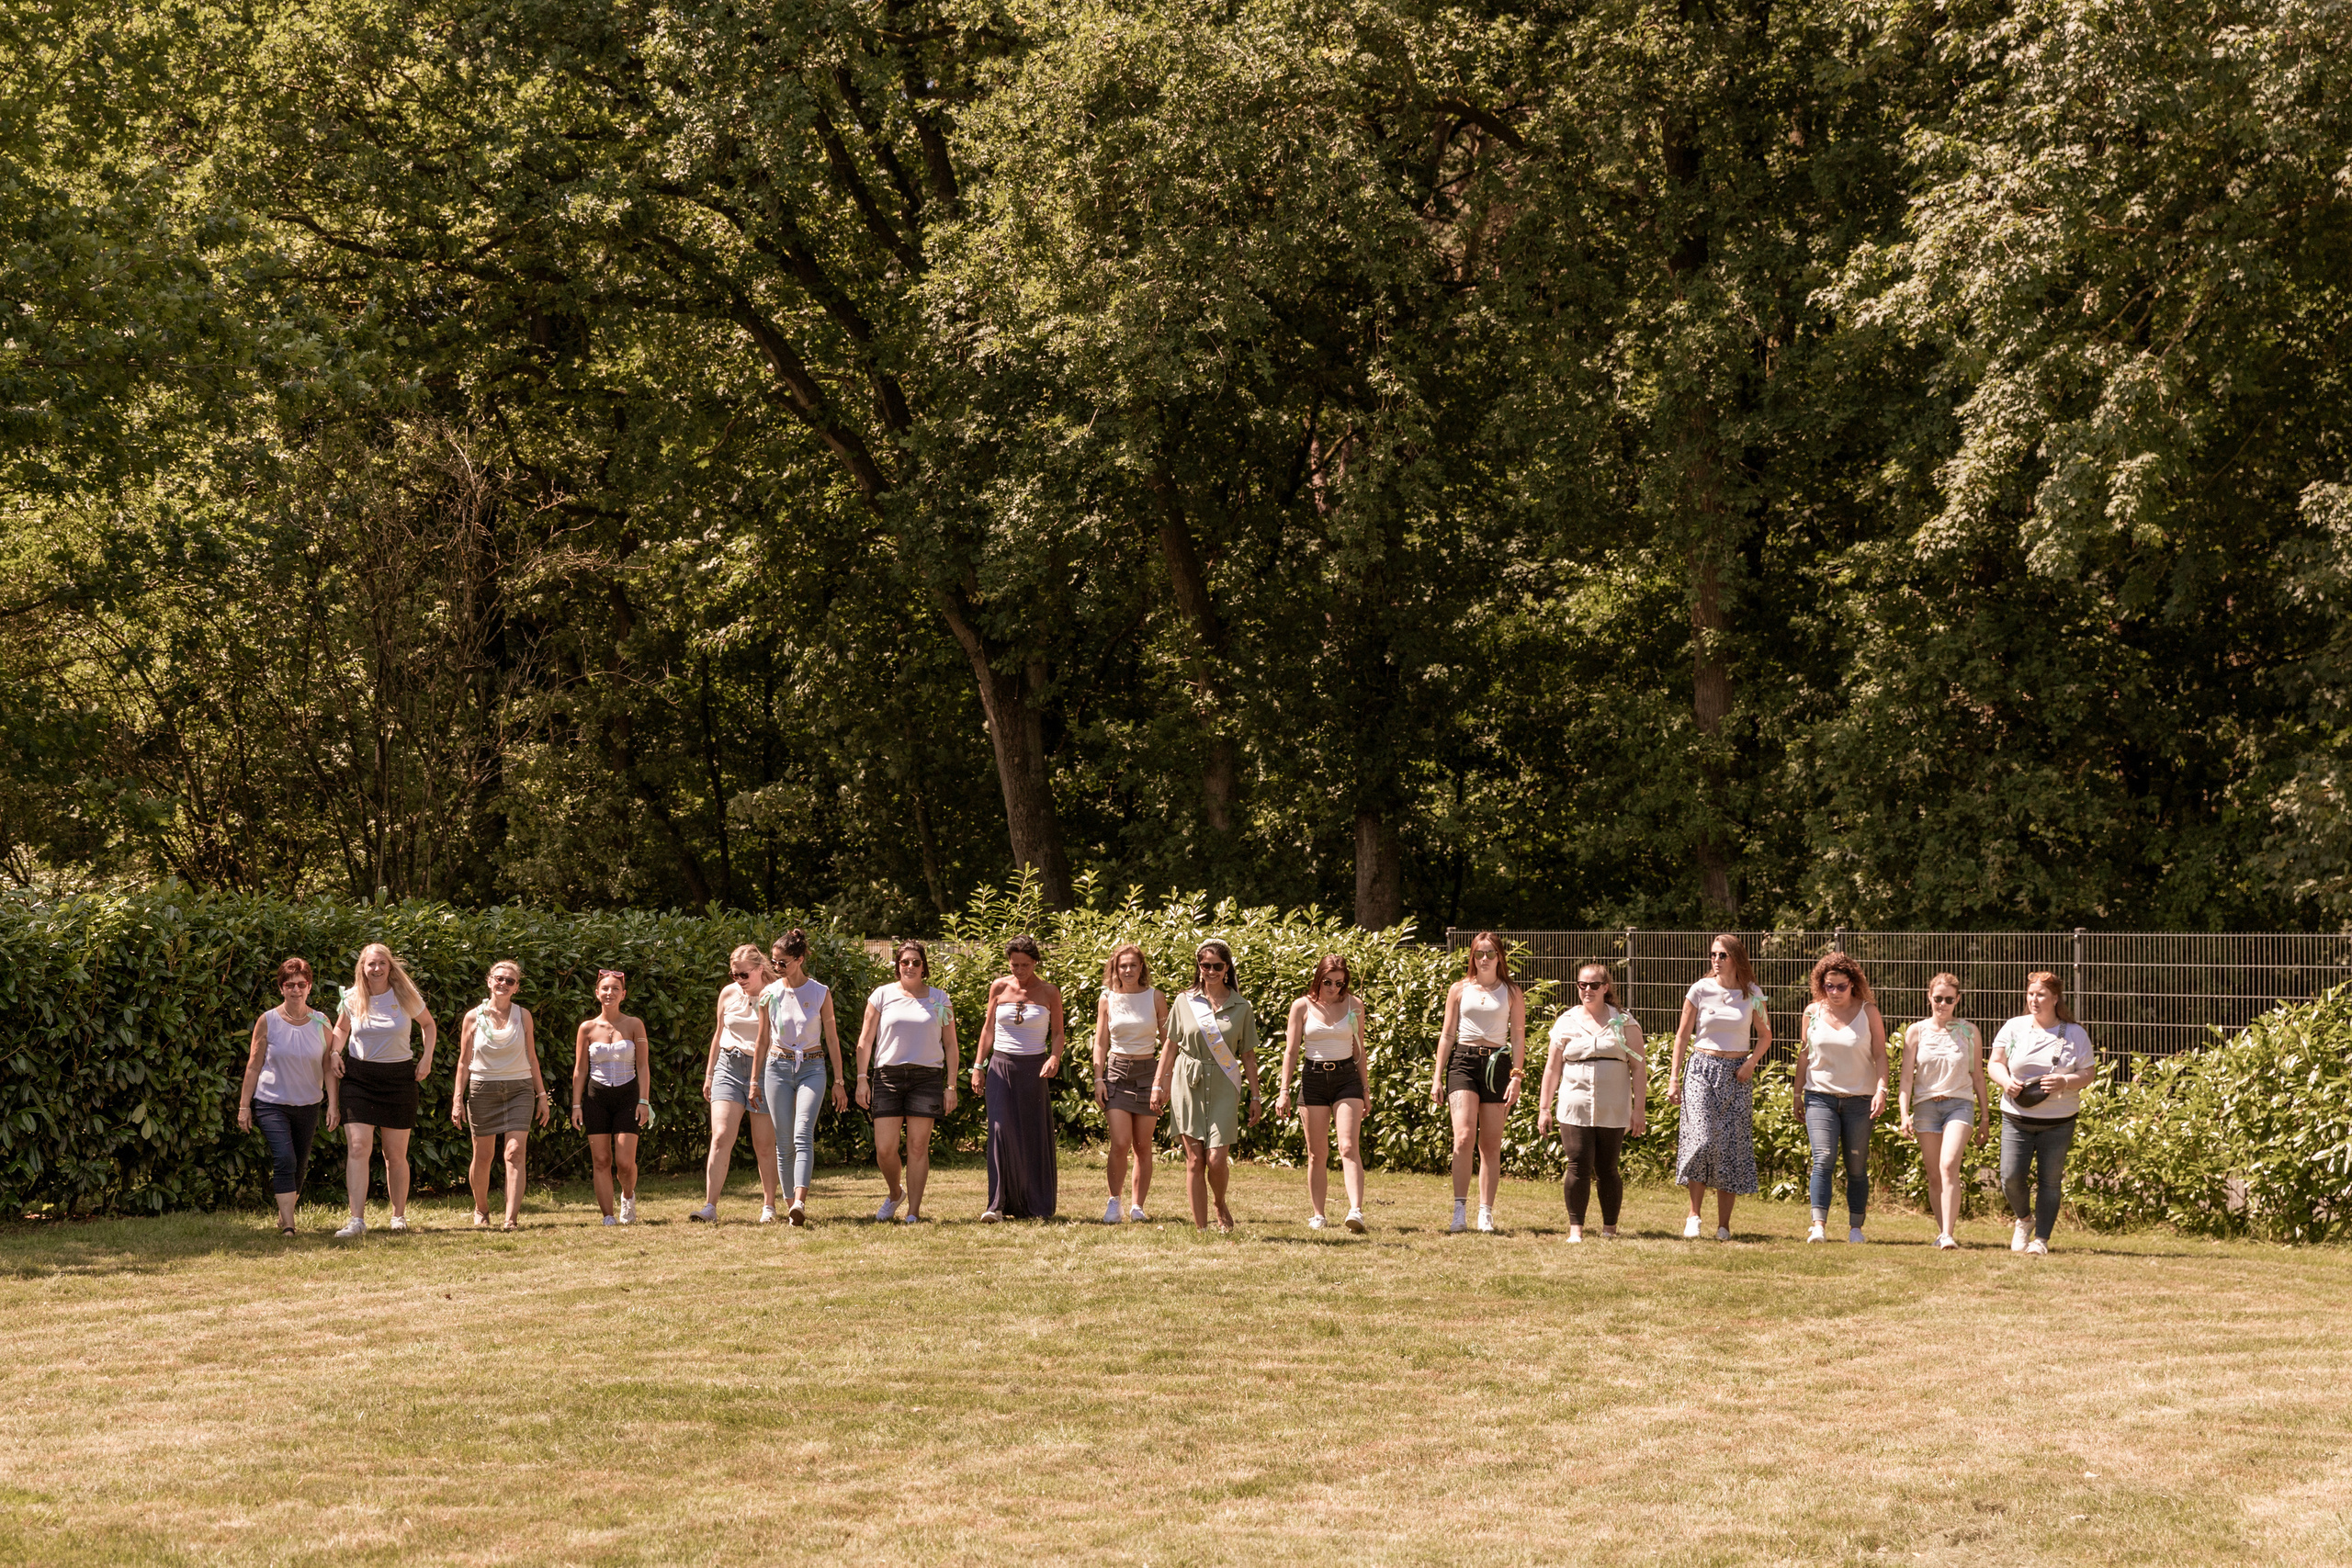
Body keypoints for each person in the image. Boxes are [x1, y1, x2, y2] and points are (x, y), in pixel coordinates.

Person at [1149, 939, 1262, 1232]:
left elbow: (1248, 1055)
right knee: (1195, 1159)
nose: (1210, 971)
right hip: (1187, 1083)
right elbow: (1170, 1047)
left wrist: (1256, 1096)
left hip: (1225, 1085)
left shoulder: (1242, 1007)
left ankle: (1219, 1203)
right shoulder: (1183, 1001)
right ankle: (1201, 1229)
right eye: (1205, 965)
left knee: (1215, 1160)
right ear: (1198, 967)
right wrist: (1157, 1086)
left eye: (1217, 966)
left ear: (1227, 968)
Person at [329, 943, 437, 1239]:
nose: (376, 969)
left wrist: (426, 1057)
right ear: (362, 968)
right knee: (359, 1147)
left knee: (394, 1154)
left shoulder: (405, 995)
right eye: (370, 964)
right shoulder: (351, 998)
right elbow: (340, 1030)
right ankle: (356, 1220)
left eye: (381, 964)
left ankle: (398, 1216)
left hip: (399, 1078)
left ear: (390, 967)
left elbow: (428, 1025)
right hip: (359, 1078)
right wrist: (335, 1053)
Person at [1535, 960, 1647, 1242]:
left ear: (1605, 988)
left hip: (1613, 1106)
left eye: (1594, 985)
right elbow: (1552, 1067)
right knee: (1578, 1164)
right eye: (1582, 985)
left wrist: (1639, 1110)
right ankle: (1576, 1229)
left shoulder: (1624, 1021)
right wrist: (1544, 1108)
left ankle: (1610, 1228)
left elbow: (1638, 1068)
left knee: (1608, 1167)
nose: (1588, 990)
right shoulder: (1566, 1021)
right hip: (1575, 1105)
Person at [1668, 932, 1770, 1241]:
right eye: (1713, 954)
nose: (1716, 960)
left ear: (1736, 958)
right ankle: (1694, 1215)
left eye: (1722, 955)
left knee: (1730, 1146)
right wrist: (1674, 1078)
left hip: (1737, 1073)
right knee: (1701, 1138)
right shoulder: (1700, 989)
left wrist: (1751, 1063)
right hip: (1701, 1068)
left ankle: (1724, 1225)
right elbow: (1682, 1036)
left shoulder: (1752, 993)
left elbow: (1766, 1036)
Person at [1989, 971, 2096, 1256]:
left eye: (2041, 995)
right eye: (2031, 994)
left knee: (2050, 1180)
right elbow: (1995, 1063)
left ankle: (2041, 1240)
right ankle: (2024, 1220)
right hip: (2016, 1117)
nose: (2034, 1000)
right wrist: (2004, 1081)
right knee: (2010, 1177)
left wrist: (2065, 1081)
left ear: (2055, 998)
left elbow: (2088, 1073)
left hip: (2058, 1121)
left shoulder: (2074, 1033)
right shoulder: (2014, 1027)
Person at [854, 941, 960, 1224]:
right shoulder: (882, 995)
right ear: (897, 965)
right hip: (887, 1076)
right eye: (905, 962)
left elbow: (950, 1045)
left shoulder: (940, 999)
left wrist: (951, 1086)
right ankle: (894, 1193)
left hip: (926, 1078)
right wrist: (862, 1079)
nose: (910, 966)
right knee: (885, 1149)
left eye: (916, 962)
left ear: (924, 966)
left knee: (917, 1147)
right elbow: (865, 1041)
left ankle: (913, 1212)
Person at [1427, 931, 1525, 1234]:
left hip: (1497, 1066)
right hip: (1463, 1063)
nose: (1485, 959)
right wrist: (1436, 1077)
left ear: (1500, 957)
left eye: (1491, 953)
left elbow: (1519, 1037)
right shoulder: (1459, 989)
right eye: (1479, 953)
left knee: (1490, 1144)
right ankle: (1460, 1209)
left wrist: (1517, 1076)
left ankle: (1486, 1212)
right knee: (1463, 1137)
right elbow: (1447, 1034)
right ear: (1472, 956)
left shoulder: (1511, 991)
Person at [236, 957, 338, 1236]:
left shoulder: (321, 1022)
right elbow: (254, 1065)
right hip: (271, 1103)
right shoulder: (267, 1021)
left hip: (308, 1104)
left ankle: (284, 1215)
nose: (296, 989)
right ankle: (289, 1226)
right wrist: (245, 1107)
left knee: (300, 1165)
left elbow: (328, 1065)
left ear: (310, 986)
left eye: (301, 984)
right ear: (281, 988)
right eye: (289, 984)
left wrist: (334, 1105)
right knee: (285, 1158)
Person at [968, 935, 1064, 1223]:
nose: (1019, 970)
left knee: (1032, 1134)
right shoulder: (998, 987)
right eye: (1014, 964)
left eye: (1024, 964)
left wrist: (1054, 1058)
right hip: (1000, 1066)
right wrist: (978, 1065)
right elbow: (988, 1030)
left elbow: (1058, 1033)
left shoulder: (1049, 992)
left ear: (1035, 962)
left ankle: (1037, 1205)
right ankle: (996, 1204)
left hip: (1034, 1068)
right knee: (999, 1131)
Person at [1794, 952, 1888, 1244]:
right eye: (1828, 986)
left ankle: (1855, 1228)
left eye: (1841, 986)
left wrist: (1882, 1090)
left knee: (1856, 1165)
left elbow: (1880, 1054)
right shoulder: (1811, 1012)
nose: (1834, 992)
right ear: (1821, 985)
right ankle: (1818, 1226)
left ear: (1853, 984)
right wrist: (1797, 1093)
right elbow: (1804, 1055)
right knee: (1823, 1158)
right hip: (1819, 1096)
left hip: (1860, 1099)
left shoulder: (1868, 1011)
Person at [450, 959, 550, 1231]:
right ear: (489, 981)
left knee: (515, 1152)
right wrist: (457, 1099)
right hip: (483, 1090)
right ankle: (481, 1209)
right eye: (499, 978)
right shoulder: (473, 1017)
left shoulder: (523, 1015)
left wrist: (542, 1095)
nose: (503, 984)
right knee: (483, 1155)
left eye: (510, 981)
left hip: (520, 1089)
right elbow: (463, 1062)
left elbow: (531, 1057)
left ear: (517, 987)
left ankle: (510, 1219)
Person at [1272, 953, 1370, 1233]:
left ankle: (1356, 1211)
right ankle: (1318, 1214)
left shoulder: (1355, 1005)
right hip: (1313, 1077)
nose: (1333, 988)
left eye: (1339, 983)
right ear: (1318, 978)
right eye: (1327, 982)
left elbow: (1359, 1051)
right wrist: (1284, 1091)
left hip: (1346, 1078)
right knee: (1317, 1153)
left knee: (1348, 1146)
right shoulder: (1301, 1006)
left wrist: (1365, 1089)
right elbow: (1291, 1051)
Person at [758, 929, 845, 1226]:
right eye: (774, 962)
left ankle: (800, 1201)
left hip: (812, 1066)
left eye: (782, 963)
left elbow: (832, 1039)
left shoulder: (820, 992)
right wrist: (756, 1081)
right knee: (783, 1141)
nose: (777, 968)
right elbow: (761, 1040)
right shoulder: (769, 994)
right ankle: (790, 1205)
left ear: (800, 959)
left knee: (802, 1133)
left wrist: (840, 1081)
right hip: (777, 1067)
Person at [692, 945, 780, 1224]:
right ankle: (710, 1207)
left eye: (744, 974)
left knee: (764, 1144)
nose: (739, 980)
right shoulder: (729, 993)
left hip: (764, 1069)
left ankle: (769, 1206)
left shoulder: (776, 993)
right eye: (734, 974)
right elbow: (719, 1034)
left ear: (759, 969)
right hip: (728, 1066)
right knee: (720, 1136)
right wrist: (709, 1074)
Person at [1899, 973, 1986, 1250]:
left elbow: (1978, 1076)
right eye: (1938, 998)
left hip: (1959, 1104)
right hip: (1925, 1106)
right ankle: (1942, 1232)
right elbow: (1906, 1078)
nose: (1943, 1004)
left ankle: (1948, 1234)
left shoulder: (1969, 1031)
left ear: (1957, 1000)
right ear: (1929, 997)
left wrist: (1985, 1117)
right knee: (1934, 1174)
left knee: (1948, 1165)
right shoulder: (1916, 1031)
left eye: (1949, 999)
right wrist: (1904, 1114)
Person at [571, 968, 652, 1226]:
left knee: (624, 1163)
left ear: (623, 994)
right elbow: (580, 1069)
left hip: (628, 1096)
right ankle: (608, 1215)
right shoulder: (587, 1028)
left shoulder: (634, 1024)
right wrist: (576, 1105)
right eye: (605, 988)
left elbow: (643, 1066)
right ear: (597, 993)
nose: (610, 993)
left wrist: (644, 1101)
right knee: (601, 1160)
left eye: (615, 989)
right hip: (597, 1097)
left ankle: (628, 1195)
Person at [1091, 943, 1166, 1224]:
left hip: (1149, 1074)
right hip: (1117, 1073)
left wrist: (1164, 1080)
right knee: (1120, 1142)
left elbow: (1168, 1040)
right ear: (1115, 969)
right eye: (1123, 966)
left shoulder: (1155, 997)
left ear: (1141, 967)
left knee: (1143, 1145)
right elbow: (1100, 1042)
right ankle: (1114, 1202)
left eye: (1133, 965)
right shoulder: (1107, 999)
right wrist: (1099, 1078)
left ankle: (1138, 1206)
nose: (1128, 970)